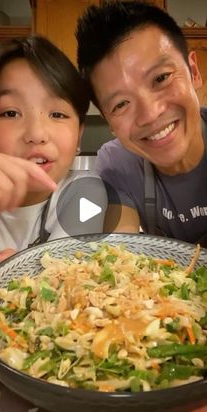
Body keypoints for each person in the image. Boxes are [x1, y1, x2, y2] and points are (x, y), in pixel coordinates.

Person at [0, 35, 107, 284]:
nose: (36, 134)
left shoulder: (87, 193)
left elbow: (63, 282)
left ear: (79, 134)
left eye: (57, 113)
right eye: (10, 113)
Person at [76, 0, 207, 246]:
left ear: (194, 72)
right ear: (110, 123)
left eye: (161, 78)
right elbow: (121, 252)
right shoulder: (118, 164)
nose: (150, 114)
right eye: (121, 104)